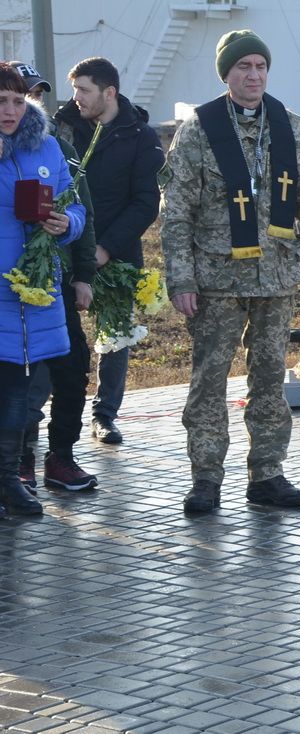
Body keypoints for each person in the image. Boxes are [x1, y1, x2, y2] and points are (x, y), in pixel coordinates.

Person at [160, 29, 300, 513]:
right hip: (216, 280)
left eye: (260, 66)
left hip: (276, 278)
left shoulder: (291, 127)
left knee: (270, 380)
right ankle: (206, 478)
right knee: (209, 381)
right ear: (227, 74)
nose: (254, 75)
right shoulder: (199, 129)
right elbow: (177, 212)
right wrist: (181, 279)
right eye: (243, 67)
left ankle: (268, 475)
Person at [54, 56, 164, 446]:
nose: (76, 98)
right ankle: (42, 412)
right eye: (74, 90)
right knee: (58, 332)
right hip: (64, 249)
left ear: (109, 92)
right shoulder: (63, 127)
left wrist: (105, 248)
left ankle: (104, 416)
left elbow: (146, 202)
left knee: (116, 336)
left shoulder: (141, 136)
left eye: (84, 90)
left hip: (115, 252)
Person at [0, 62, 87, 516]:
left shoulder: (48, 146)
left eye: (18, 101)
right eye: (1, 101)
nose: (10, 110)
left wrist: (66, 223)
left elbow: (76, 204)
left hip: (31, 295)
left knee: (19, 393)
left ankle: (9, 481)